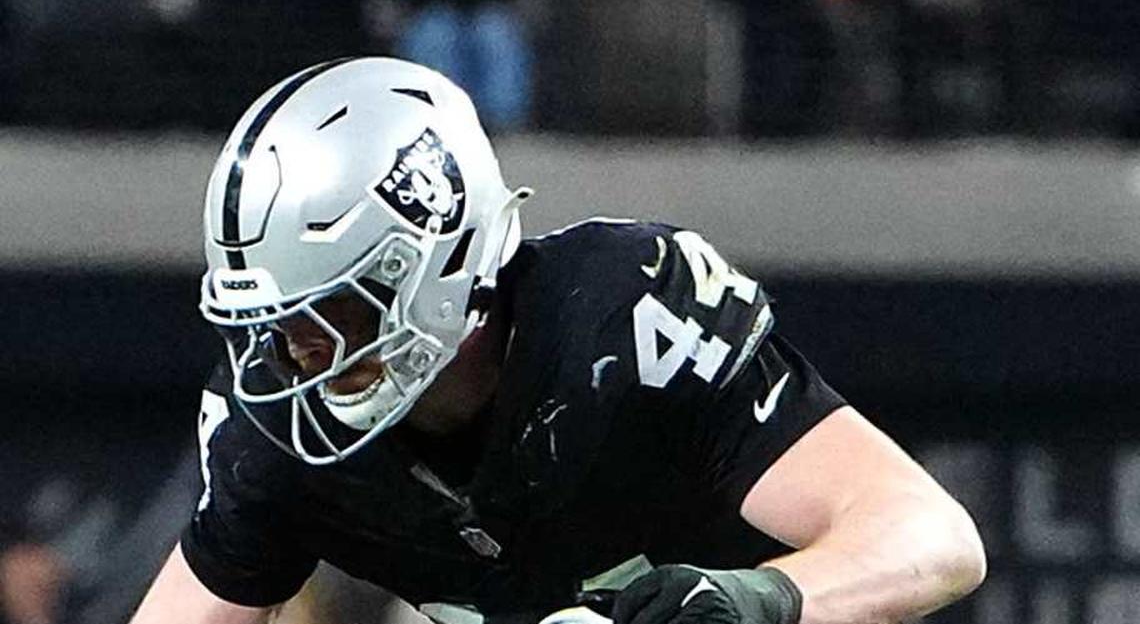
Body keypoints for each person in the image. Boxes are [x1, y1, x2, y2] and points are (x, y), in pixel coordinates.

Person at [131, 57, 986, 624]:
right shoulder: (281, 436)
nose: (298, 361)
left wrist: (755, 599)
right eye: (277, 328)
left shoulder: (630, 318)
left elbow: (932, 536)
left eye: (333, 318)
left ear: (439, 258)